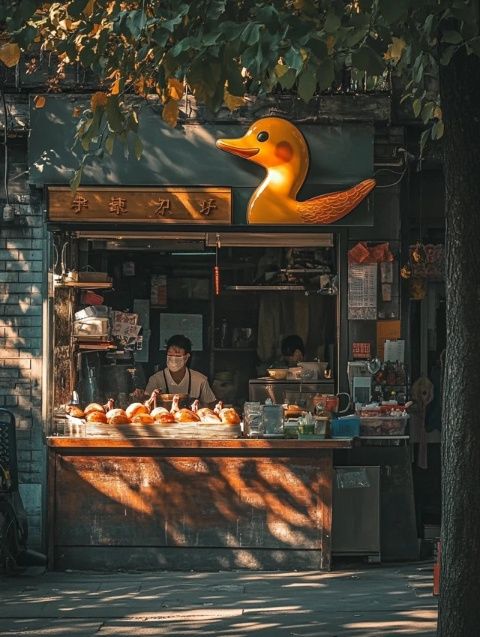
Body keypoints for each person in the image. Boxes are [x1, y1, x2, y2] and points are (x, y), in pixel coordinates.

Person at [139, 334, 216, 406]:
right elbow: (146, 403)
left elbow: (211, 404)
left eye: (177, 355)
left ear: (186, 357)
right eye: (170, 355)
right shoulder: (155, 379)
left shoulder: (200, 380)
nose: (173, 359)